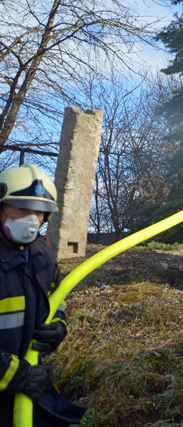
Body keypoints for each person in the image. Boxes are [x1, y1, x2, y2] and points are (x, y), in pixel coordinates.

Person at [0, 164, 85, 426]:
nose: (32, 219)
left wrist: (58, 325)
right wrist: (12, 373)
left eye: (39, 211)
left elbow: (56, 296)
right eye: (22, 209)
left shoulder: (41, 253)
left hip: (28, 383)